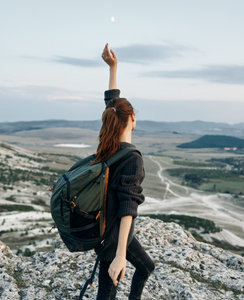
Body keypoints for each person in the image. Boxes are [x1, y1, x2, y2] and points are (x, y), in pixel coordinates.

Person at [95, 43, 155, 300]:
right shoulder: (132, 158)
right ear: (131, 119)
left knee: (146, 267)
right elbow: (128, 209)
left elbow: (112, 103)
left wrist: (113, 68)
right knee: (107, 291)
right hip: (112, 237)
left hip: (106, 229)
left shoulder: (108, 147)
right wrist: (120, 256)